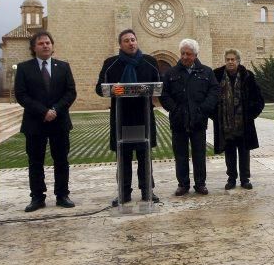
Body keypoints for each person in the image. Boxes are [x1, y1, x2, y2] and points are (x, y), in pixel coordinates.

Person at [96, 29, 162, 206]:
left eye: (133, 39)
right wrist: (115, 89)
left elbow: (158, 86)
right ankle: (123, 193)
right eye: (126, 40)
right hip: (121, 118)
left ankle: (148, 191)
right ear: (121, 44)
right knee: (123, 158)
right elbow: (100, 88)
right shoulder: (111, 63)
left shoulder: (150, 62)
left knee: (144, 156)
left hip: (143, 117)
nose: (131, 43)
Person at [15, 31, 77, 212]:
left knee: (61, 160)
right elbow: (21, 95)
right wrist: (44, 111)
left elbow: (70, 92)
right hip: (35, 122)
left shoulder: (63, 67)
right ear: (34, 48)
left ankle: (62, 194)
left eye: (48, 43)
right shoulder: (24, 68)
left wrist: (56, 110)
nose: (45, 46)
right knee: (35, 161)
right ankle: (37, 197)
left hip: (59, 121)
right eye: (41, 43)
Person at [161, 39, 219, 196]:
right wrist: (175, 109)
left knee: (199, 154)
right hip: (178, 120)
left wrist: (204, 109)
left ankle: (200, 184)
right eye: (182, 53)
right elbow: (164, 95)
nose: (185, 57)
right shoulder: (171, 73)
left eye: (188, 54)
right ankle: (183, 184)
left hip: (198, 120)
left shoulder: (206, 72)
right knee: (180, 155)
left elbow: (214, 92)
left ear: (195, 55)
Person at [212, 48, 264, 190]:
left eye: (232, 59)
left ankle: (245, 178)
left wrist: (250, 115)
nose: (230, 62)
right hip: (225, 122)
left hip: (243, 123)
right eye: (228, 59)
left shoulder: (248, 76)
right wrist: (215, 116)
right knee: (229, 152)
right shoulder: (216, 75)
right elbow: (211, 98)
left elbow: (258, 99)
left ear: (238, 61)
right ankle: (231, 178)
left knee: (244, 151)